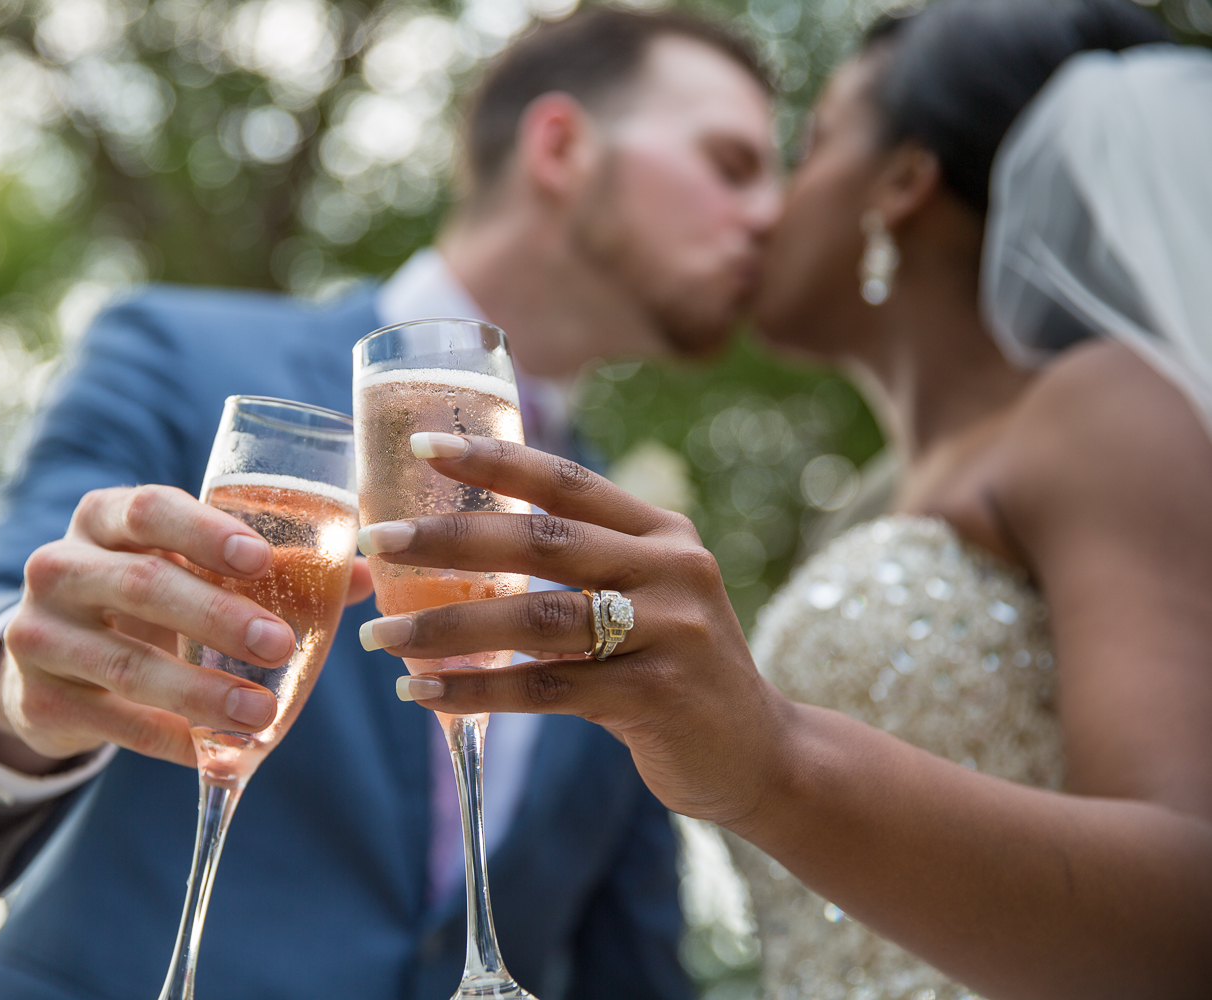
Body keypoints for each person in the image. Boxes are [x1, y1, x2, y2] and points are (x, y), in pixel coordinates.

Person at [0, 8, 782, 999]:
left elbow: (633, 966)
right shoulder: (181, 356)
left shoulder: (627, 558)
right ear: (560, 146)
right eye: (731, 164)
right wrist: (16, 687)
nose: (771, 214)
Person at [355, 2, 1212, 997]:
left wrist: (776, 758)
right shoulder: (877, 503)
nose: (767, 210)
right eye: (737, 166)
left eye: (807, 148)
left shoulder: (1104, 405)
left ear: (901, 182)